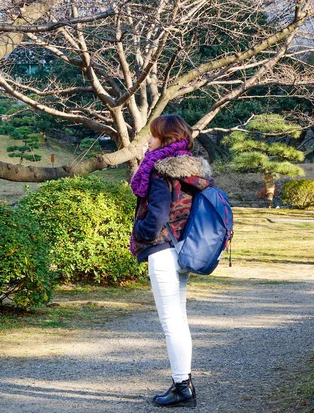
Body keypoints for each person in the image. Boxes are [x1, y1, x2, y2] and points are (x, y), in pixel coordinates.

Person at [130, 114, 212, 408]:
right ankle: (183, 382)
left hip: (162, 249)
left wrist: (140, 231)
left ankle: (182, 386)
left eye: (152, 136)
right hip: (182, 249)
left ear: (164, 139)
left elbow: (156, 217)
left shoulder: (159, 170)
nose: (148, 141)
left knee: (170, 322)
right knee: (178, 319)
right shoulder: (191, 170)